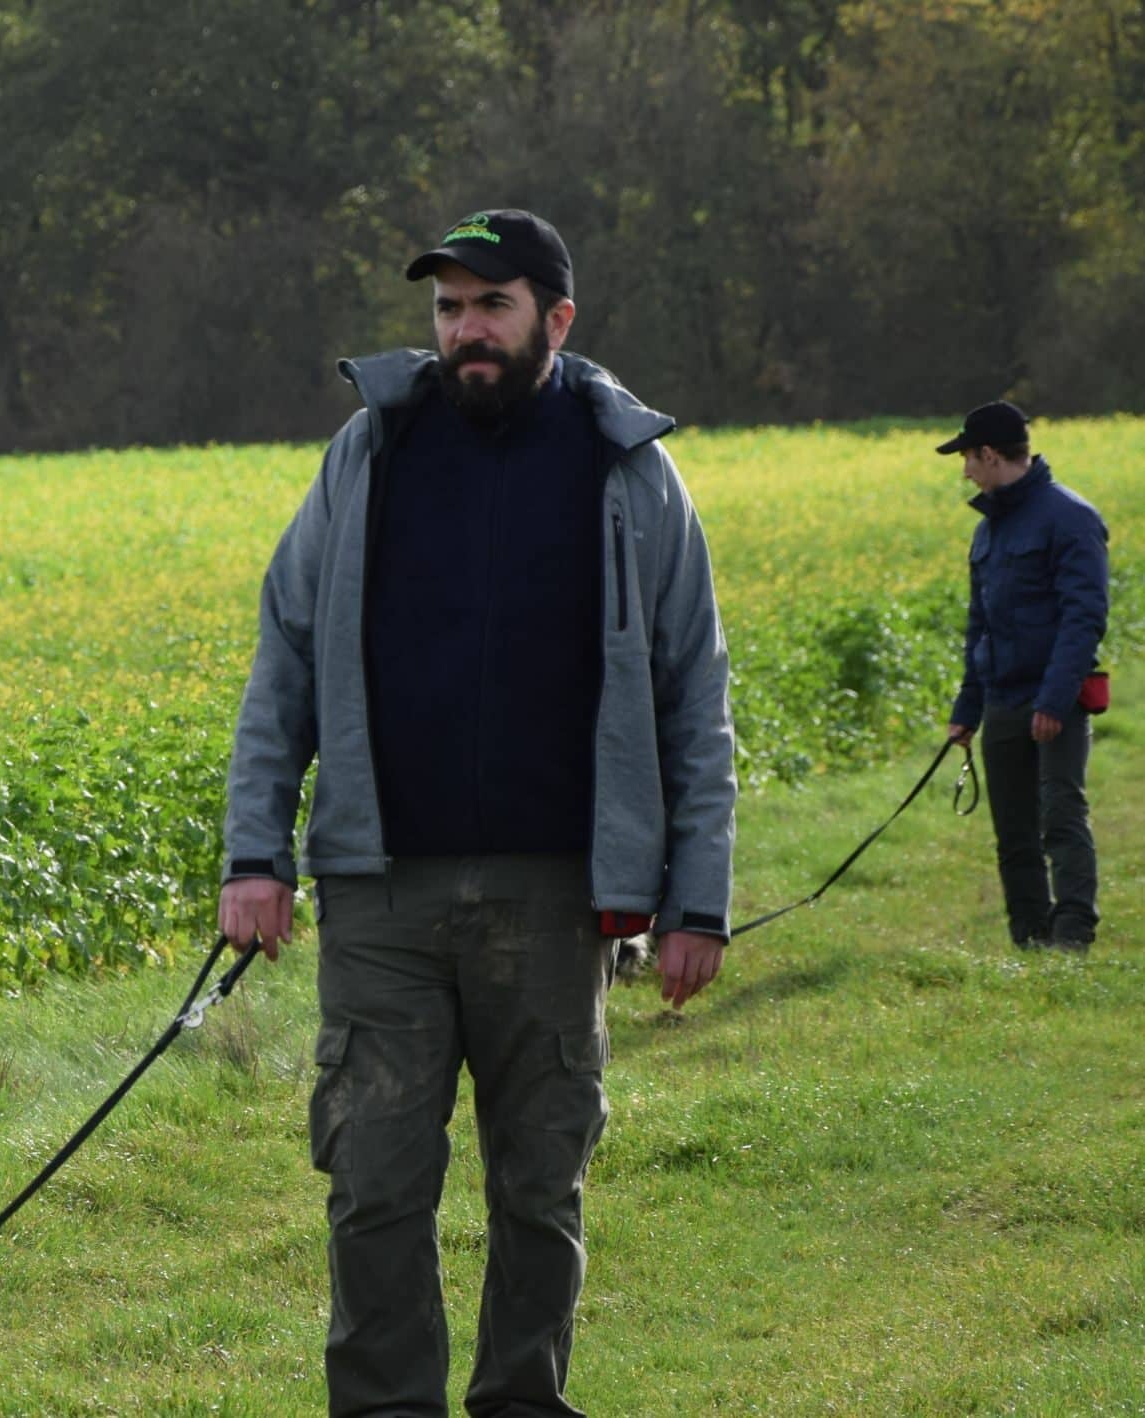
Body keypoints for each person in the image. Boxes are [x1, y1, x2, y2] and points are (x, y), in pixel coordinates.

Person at [218, 208, 736, 1417]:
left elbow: (690, 690)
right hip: (379, 890)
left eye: (491, 305)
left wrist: (692, 898)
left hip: (558, 897)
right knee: (373, 1185)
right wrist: (256, 853)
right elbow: (283, 655)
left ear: (555, 319)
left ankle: (520, 1401)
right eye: (447, 308)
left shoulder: (630, 471)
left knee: (538, 1188)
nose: (466, 331)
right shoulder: (368, 452)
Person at [939, 400, 1109, 951]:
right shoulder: (987, 532)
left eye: (967, 458)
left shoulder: (1072, 518)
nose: (964, 470)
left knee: (1060, 819)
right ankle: (1030, 943)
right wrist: (967, 712)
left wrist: (1055, 701)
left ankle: (1073, 940)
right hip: (1002, 702)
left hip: (1054, 703)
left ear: (989, 455)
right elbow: (979, 627)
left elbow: (1084, 618)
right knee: (1014, 838)